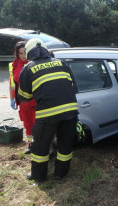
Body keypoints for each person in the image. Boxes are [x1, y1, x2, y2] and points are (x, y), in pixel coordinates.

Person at [17, 38, 78, 182]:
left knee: (40, 147)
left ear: (29, 52)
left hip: (47, 114)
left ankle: (39, 177)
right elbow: (74, 87)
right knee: (65, 144)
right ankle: (60, 175)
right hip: (70, 112)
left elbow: (24, 97)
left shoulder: (28, 68)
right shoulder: (62, 64)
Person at [9, 41, 36, 154]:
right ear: (17, 54)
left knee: (37, 125)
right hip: (22, 101)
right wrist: (11, 98)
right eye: (21, 53)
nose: (23, 55)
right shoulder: (13, 65)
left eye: (25, 52)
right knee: (28, 125)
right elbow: (12, 83)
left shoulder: (33, 63)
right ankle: (31, 145)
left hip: (34, 101)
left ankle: (41, 146)